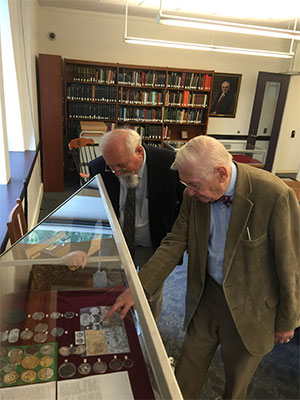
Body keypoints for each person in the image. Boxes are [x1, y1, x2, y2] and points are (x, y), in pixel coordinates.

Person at [105, 135, 300, 399]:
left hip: (251, 306)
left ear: (221, 173)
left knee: (235, 382)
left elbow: (291, 262)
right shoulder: (194, 193)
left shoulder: (275, 195)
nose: (190, 192)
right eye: (187, 185)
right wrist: (138, 289)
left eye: (194, 185)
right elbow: (174, 242)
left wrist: (289, 319)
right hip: (207, 295)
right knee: (187, 369)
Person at [88, 128, 184, 321]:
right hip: (117, 244)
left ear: (139, 151)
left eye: (121, 166)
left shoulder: (170, 163)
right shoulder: (99, 167)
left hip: (154, 244)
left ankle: (150, 330)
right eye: (111, 167)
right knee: (117, 289)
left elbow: (184, 205)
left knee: (150, 293)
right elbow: (89, 206)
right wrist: (80, 247)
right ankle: (124, 327)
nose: (116, 172)